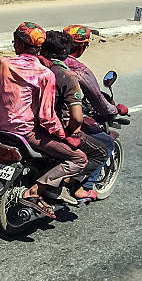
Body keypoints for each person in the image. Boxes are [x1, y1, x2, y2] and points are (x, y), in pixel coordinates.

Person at [0, 22, 87, 217]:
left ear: (18, 44)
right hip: (26, 132)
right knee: (79, 158)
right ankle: (36, 190)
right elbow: (47, 117)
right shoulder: (45, 74)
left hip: (0, 128)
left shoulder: (5, 63)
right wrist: (64, 135)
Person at [39, 30, 108, 202]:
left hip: (28, 123)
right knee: (101, 151)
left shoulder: (32, 66)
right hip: (55, 128)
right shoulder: (71, 73)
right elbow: (78, 116)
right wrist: (73, 133)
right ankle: (73, 184)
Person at [63, 25, 122, 198]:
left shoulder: (43, 61)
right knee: (106, 144)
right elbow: (98, 100)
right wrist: (113, 110)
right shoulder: (78, 70)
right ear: (81, 46)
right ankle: (83, 185)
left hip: (37, 117)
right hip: (64, 121)